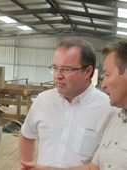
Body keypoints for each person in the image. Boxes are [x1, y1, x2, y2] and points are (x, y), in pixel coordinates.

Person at [19, 38, 120, 170]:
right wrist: (25, 164)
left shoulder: (110, 110)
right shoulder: (43, 101)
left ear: (88, 72)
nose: (57, 75)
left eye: (66, 69)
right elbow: (27, 134)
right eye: (55, 68)